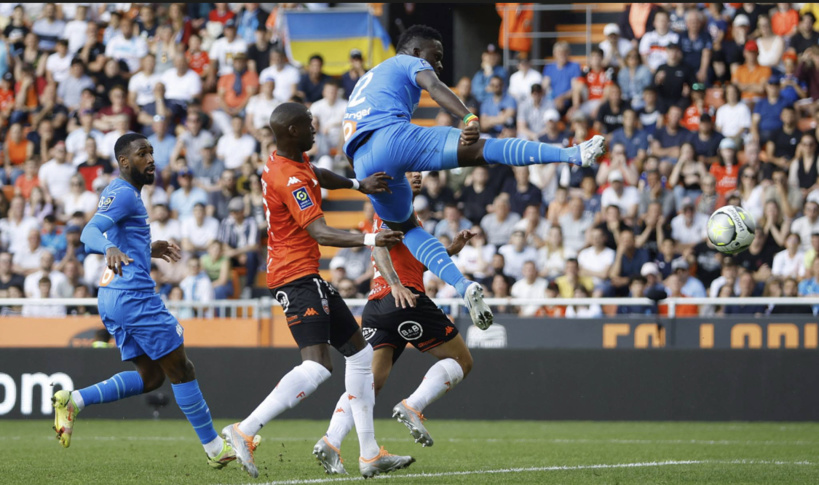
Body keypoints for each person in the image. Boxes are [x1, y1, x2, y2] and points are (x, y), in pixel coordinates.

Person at [343, 25, 606, 331]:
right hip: (390, 137)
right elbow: (435, 86)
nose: (439, 63)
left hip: (363, 164)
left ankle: (463, 286)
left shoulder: (368, 79)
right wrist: (468, 116)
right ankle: (572, 155)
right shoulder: (407, 61)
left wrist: (366, 179)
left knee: (408, 228)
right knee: (483, 149)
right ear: (416, 51)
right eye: (436, 56)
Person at [222, 103, 413, 479]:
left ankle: (370, 453)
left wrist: (358, 185)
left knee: (360, 356)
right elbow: (321, 232)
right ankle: (244, 430)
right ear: (292, 130)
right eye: (309, 125)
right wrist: (371, 237)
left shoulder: (290, 161)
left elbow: (317, 174)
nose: (315, 128)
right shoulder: (289, 179)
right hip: (294, 276)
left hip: (307, 273)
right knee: (317, 365)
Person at [53, 134, 239, 468]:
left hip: (112, 295)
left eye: (152, 151)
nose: (151, 158)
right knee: (182, 369)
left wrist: (146, 249)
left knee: (152, 377)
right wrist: (107, 248)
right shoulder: (124, 194)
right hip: (133, 296)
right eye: (142, 154)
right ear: (124, 162)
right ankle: (215, 449)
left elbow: (117, 233)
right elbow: (89, 232)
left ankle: (73, 401)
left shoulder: (123, 191)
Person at [314, 170, 474, 473]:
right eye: (408, 173)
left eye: (418, 173)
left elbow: (412, 259)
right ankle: (413, 405)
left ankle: (331, 440)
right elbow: (379, 246)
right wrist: (396, 284)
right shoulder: (392, 207)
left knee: (369, 383)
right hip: (403, 299)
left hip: (377, 307)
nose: (415, 177)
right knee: (462, 360)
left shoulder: (408, 215)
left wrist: (451, 250)